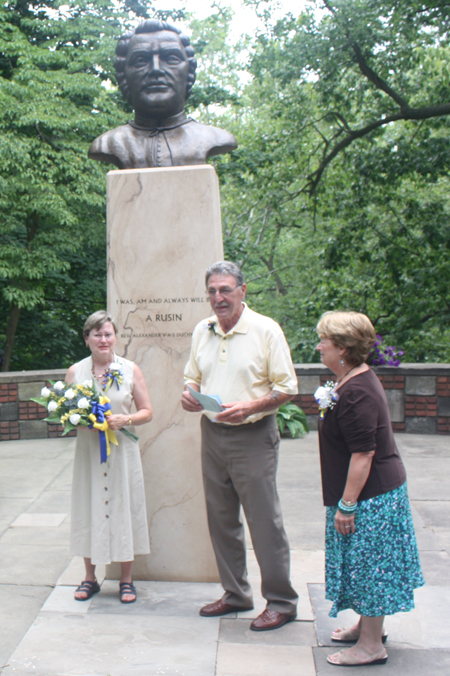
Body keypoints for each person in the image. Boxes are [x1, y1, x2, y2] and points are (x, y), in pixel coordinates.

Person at [181, 261, 298, 631]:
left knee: (265, 522)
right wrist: (190, 397)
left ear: (243, 291)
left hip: (254, 436)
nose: (218, 298)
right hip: (212, 434)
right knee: (221, 520)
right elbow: (192, 378)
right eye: (213, 291)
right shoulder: (203, 330)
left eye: (226, 290)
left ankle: (281, 602)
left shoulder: (266, 330)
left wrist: (251, 405)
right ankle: (236, 594)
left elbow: (286, 388)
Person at [315, 310, 424, 667]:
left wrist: (347, 505)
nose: (319, 347)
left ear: (343, 348)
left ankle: (371, 645)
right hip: (369, 493)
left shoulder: (358, 390)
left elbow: (363, 453)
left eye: (324, 341)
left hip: (372, 496)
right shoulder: (352, 379)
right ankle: (367, 626)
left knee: (370, 565)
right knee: (364, 564)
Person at [66, 311, 153, 604]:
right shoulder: (75, 372)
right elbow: (67, 413)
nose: (104, 340)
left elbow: (147, 411)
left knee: (124, 506)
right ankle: (90, 578)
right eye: (97, 334)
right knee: (88, 505)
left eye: (108, 334)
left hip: (121, 451)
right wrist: (79, 421)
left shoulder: (129, 370)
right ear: (87, 338)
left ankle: (126, 580)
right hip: (90, 451)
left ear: (115, 337)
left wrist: (125, 419)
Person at [88, 19, 237, 169]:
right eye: (141, 61)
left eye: (171, 59)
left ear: (189, 72)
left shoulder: (215, 138)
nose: (156, 69)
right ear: (124, 75)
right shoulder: (108, 144)